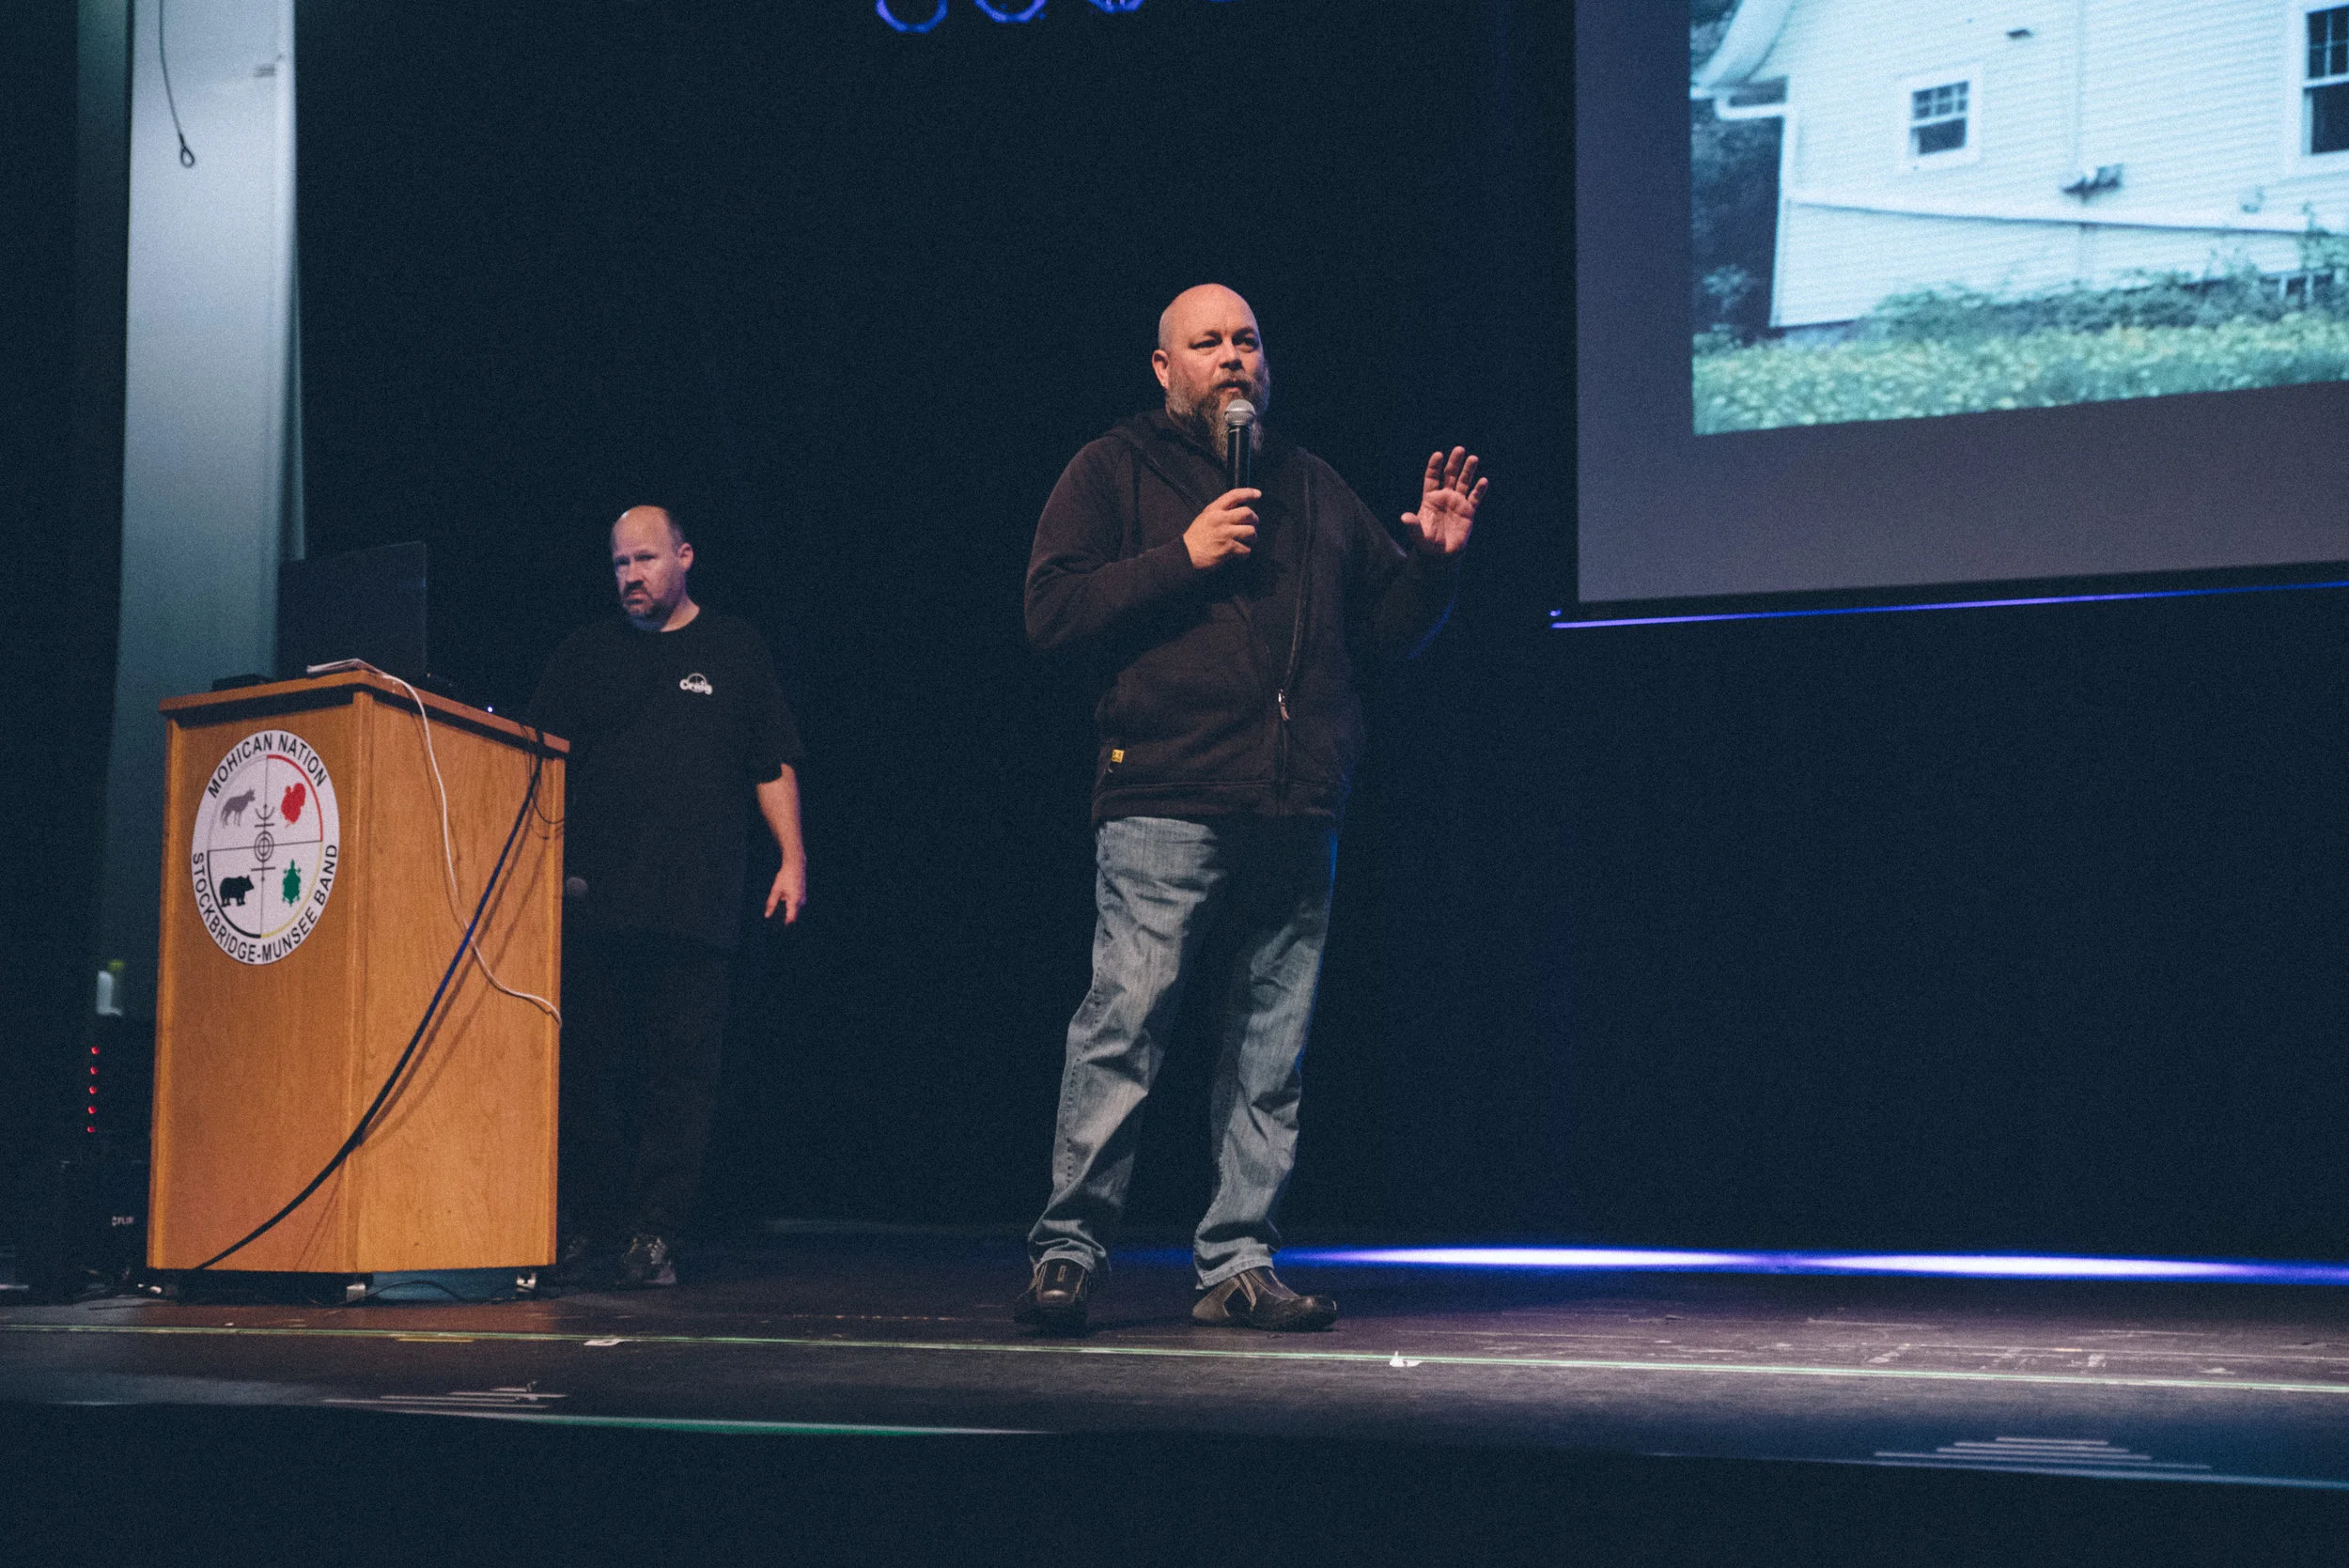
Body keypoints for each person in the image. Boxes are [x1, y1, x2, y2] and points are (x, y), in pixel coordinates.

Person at [1015, 284, 1486, 1333]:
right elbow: (1050, 612)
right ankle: (1068, 1252)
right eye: (1208, 343)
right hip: (1164, 793)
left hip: (1294, 802)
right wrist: (1178, 557)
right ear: (1163, 367)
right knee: (1124, 1025)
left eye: (1248, 341)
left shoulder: (1310, 485)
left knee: (1270, 1050)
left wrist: (1436, 568)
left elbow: (1385, 633)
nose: (1233, 358)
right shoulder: (1113, 469)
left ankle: (1236, 1262)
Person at [527, 505, 807, 1288]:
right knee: (587, 1075)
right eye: (619, 564)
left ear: (684, 556)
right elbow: (533, 758)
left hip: (694, 907)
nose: (630, 577)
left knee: (679, 1079)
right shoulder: (584, 654)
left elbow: (772, 761)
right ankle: (590, 1222)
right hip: (592, 905)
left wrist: (793, 858)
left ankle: (655, 1232)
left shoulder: (734, 648)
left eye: (645, 560)